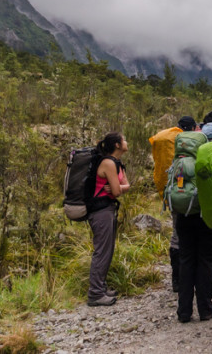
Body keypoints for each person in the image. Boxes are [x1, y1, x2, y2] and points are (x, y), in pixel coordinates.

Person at [173, 127, 212, 323]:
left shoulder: (178, 164)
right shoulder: (204, 163)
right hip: (203, 217)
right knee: (205, 262)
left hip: (182, 217)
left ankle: (183, 311)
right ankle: (205, 309)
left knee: (186, 261)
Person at [150, 115, 197, 292]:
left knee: (177, 235)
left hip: (171, 193)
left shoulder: (166, 137)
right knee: (192, 236)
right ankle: (189, 278)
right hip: (190, 195)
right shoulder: (188, 143)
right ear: (192, 128)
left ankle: (176, 280)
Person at [87, 132, 130, 307]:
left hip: (108, 208)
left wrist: (116, 187)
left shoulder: (117, 164)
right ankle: (95, 294)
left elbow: (125, 186)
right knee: (102, 251)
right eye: (124, 139)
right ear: (117, 145)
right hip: (100, 210)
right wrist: (117, 188)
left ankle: (101, 288)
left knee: (108, 250)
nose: (126, 142)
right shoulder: (108, 163)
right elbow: (120, 191)